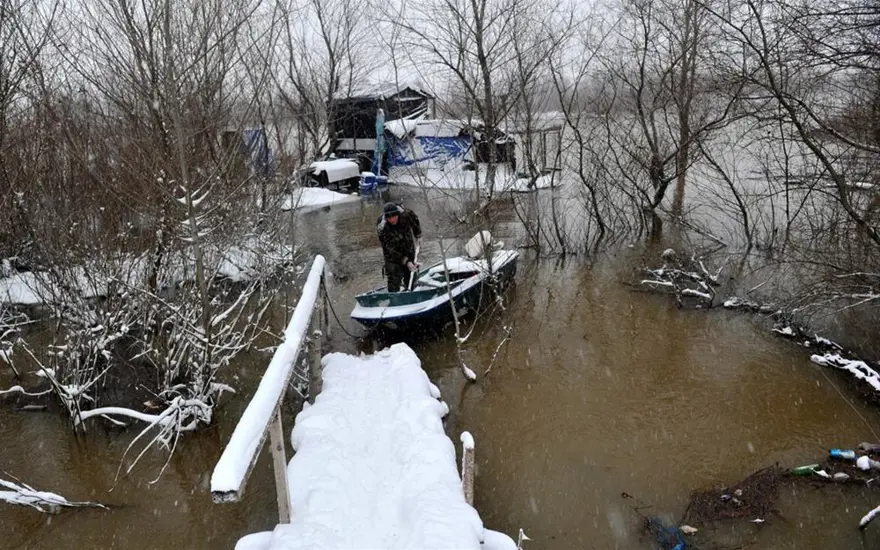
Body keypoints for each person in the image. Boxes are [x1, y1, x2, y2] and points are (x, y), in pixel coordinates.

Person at [377, 202, 422, 292]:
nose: (392, 220)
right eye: (389, 218)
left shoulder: (406, 215)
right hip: (391, 254)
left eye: (394, 217)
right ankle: (394, 296)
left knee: (410, 274)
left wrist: (418, 235)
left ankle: (411, 290)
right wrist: (406, 261)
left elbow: (415, 220)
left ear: (398, 214)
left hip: (407, 246)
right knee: (394, 274)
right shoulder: (383, 228)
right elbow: (390, 250)